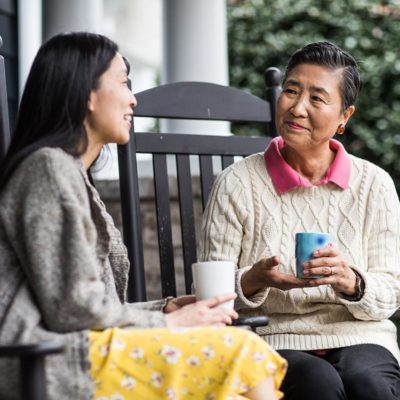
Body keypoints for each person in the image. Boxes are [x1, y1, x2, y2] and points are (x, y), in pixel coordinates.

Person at [0, 32, 287, 400]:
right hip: (47, 362)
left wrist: (163, 307)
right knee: (241, 353)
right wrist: (169, 322)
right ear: (87, 94)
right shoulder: (47, 169)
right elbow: (72, 310)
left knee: (234, 367)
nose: (133, 99)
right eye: (122, 83)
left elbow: (87, 305)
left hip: (79, 350)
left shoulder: (70, 174)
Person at [199, 41, 400, 400]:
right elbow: (211, 294)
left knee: (370, 386)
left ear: (344, 116)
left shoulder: (374, 184)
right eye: (291, 90)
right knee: (316, 384)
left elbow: (392, 288)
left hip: (360, 336)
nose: (298, 107)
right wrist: (253, 280)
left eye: (317, 98)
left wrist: (352, 281)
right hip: (267, 335)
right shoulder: (236, 182)